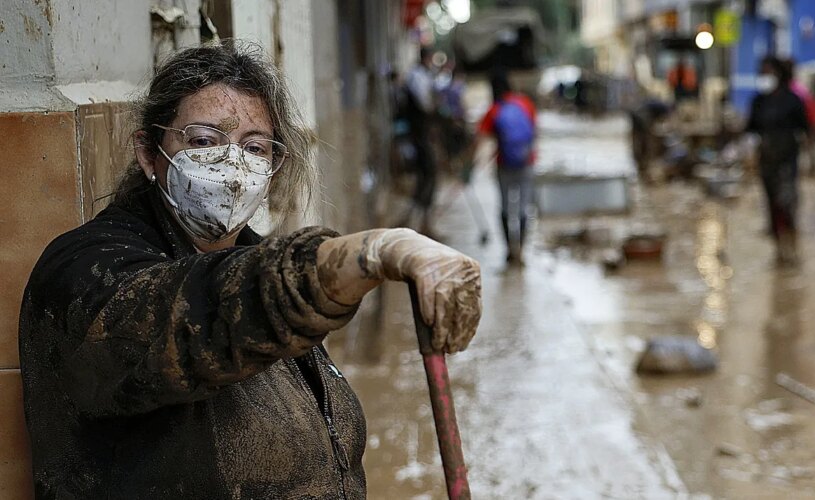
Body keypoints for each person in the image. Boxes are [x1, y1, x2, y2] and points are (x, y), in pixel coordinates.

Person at [18, 40, 481, 499]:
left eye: (254, 147)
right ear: (148, 153)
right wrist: (361, 256)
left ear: (274, 166)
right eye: (203, 140)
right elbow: (186, 318)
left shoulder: (257, 259)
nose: (233, 165)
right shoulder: (84, 270)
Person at [746, 55, 809, 265]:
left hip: (787, 159)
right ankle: (779, 249)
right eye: (763, 73)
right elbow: (750, 130)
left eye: (769, 72)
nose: (765, 77)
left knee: (787, 201)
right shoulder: (758, 101)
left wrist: (808, 155)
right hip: (766, 159)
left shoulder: (792, 100)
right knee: (771, 202)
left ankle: (791, 244)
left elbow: (805, 129)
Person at [470, 71, 537, 266]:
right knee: (524, 207)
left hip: (504, 164)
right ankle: (522, 252)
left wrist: (469, 166)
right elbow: (533, 133)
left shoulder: (494, 109)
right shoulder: (526, 104)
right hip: (527, 162)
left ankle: (510, 251)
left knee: (506, 207)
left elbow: (480, 138)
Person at [402, 46, 440, 238]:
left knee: (428, 176)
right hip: (418, 134)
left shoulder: (423, 76)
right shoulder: (417, 76)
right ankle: (417, 224)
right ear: (427, 58)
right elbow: (425, 104)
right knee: (427, 175)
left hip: (421, 133)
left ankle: (422, 223)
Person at [783, 58, 815, 176]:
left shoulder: (795, 89)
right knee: (808, 144)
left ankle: (811, 167)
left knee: (806, 144)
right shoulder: (796, 87)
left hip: (805, 119)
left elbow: (808, 105)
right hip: (806, 118)